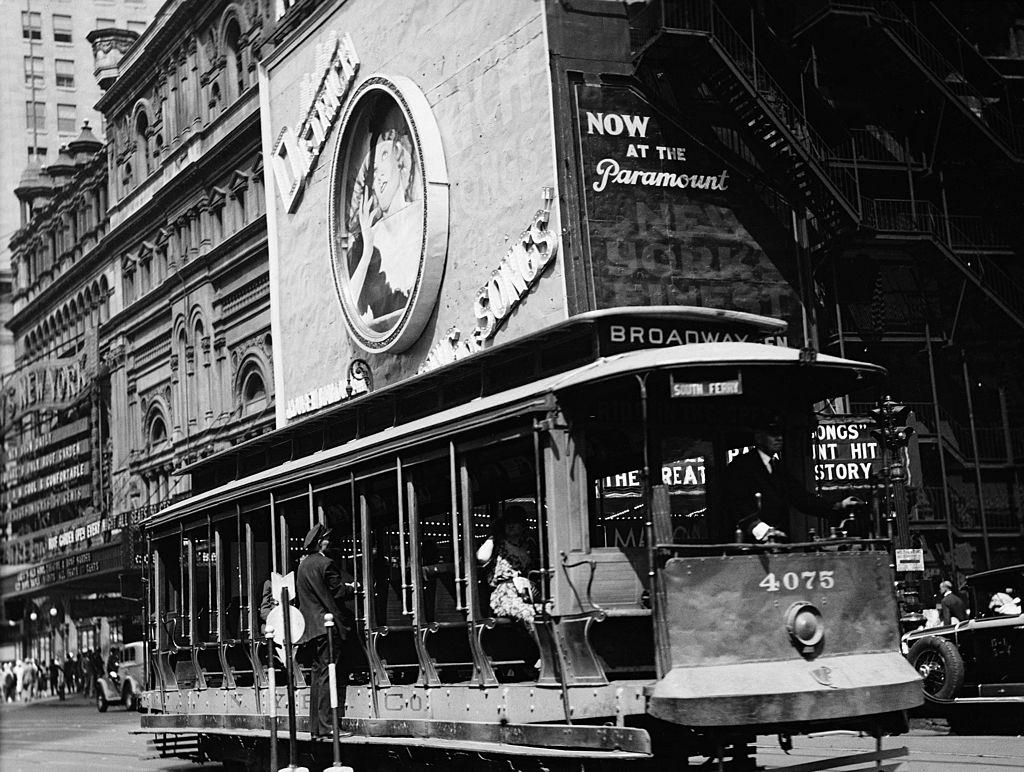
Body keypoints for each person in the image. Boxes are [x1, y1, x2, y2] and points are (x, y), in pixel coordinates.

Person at [344, 106, 420, 330]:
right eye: (374, 171)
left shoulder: (419, 215)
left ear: (399, 158)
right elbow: (353, 312)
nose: (380, 176)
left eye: (385, 158)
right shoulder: (366, 242)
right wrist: (367, 250)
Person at [726, 421, 861, 542]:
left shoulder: (779, 468)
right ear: (759, 437)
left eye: (780, 434)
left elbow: (801, 498)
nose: (779, 438)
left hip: (779, 540)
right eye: (773, 434)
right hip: (751, 545)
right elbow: (737, 503)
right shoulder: (741, 465)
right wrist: (760, 529)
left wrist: (838, 505)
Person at [295, 523, 356, 740]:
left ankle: (317, 728)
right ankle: (328, 726)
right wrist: (353, 587)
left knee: (318, 676)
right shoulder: (327, 563)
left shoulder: (303, 567)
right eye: (327, 539)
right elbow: (338, 592)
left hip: (310, 629)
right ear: (322, 542)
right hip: (327, 627)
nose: (329, 542)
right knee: (328, 675)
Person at [475, 506, 538, 630]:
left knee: (545, 612)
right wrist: (493, 537)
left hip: (527, 592)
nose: (511, 525)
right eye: (508, 522)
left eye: (515, 522)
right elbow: (481, 557)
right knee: (530, 616)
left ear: (522, 525)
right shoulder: (498, 543)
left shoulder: (528, 545)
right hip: (505, 593)